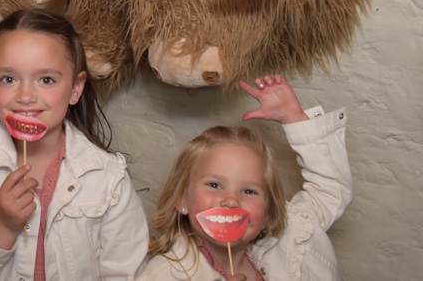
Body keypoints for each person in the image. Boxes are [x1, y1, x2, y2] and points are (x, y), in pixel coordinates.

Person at [0, 9, 149, 280]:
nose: (25, 96)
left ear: (75, 88)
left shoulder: (109, 180)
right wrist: (0, 230)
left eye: (46, 80)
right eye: (8, 79)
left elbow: (125, 272)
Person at [139, 74, 353, 281]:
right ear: (182, 199)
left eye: (249, 191)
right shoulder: (162, 274)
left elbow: (329, 189)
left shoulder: (293, 233)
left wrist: (295, 119)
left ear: (269, 211)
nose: (231, 200)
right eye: (214, 185)